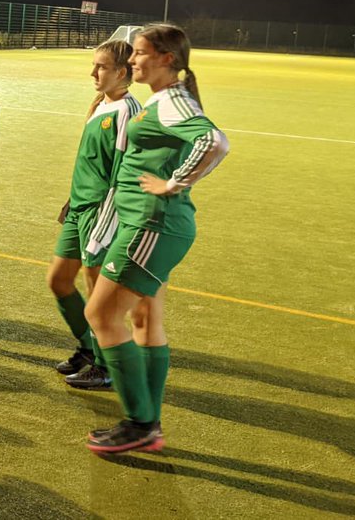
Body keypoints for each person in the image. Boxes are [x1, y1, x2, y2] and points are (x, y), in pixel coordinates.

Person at [84, 24, 229, 454]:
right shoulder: (161, 98)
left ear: (167, 59)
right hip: (150, 225)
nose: (132, 60)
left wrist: (174, 183)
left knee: (101, 314)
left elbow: (214, 141)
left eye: (141, 53)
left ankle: (140, 422)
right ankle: (148, 421)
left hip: (151, 226)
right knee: (145, 319)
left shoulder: (173, 100)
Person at [47, 40, 141, 391]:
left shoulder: (129, 111)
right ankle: (88, 347)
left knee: (97, 292)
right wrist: (71, 200)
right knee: (58, 281)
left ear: (121, 71)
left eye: (100, 66)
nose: (93, 72)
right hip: (79, 207)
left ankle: (106, 367)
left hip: (102, 213)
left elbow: (122, 175)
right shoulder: (102, 103)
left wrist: (103, 228)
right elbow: (90, 162)